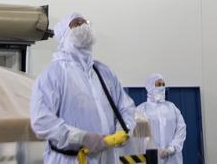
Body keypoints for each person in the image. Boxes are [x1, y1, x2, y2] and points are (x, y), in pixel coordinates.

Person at [32, 13, 138, 164]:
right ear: (64, 34)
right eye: (76, 23)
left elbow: (125, 106)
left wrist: (124, 128)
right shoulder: (53, 74)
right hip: (70, 159)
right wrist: (83, 138)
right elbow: (41, 121)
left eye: (85, 22)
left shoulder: (103, 72)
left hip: (107, 158)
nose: (82, 25)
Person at [136, 74, 187, 162]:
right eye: (158, 84)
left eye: (163, 84)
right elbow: (141, 136)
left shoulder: (172, 107)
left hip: (173, 158)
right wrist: (154, 149)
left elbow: (181, 129)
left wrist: (172, 148)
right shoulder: (141, 109)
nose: (162, 87)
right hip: (151, 157)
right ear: (150, 86)